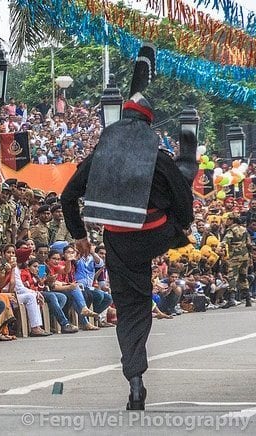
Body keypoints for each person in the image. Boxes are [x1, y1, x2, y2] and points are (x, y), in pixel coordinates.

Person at [61, 43, 194, 410]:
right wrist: (179, 230)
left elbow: (67, 196)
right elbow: (185, 202)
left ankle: (135, 380)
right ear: (150, 123)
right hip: (156, 235)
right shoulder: (159, 157)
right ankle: (136, 376)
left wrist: (80, 236)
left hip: (118, 241)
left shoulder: (101, 154)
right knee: (183, 182)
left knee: (132, 309)